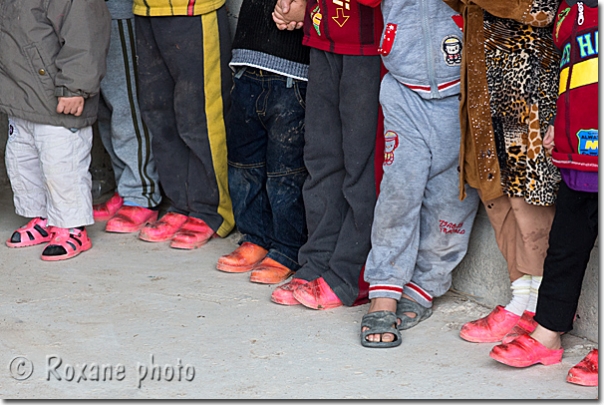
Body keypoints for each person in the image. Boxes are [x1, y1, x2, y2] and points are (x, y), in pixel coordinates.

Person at [489, 0, 598, 387]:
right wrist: (562, 123)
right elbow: (575, 72)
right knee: (567, 241)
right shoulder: (572, 6)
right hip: (580, 140)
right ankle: (548, 332)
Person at [359, 0, 480, 348]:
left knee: (454, 200)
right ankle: (384, 290)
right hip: (403, 91)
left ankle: (426, 283)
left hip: (463, 92)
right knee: (399, 193)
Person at [443, 0, 562, 344]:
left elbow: (541, 7)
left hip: (527, 79)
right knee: (494, 191)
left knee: (527, 191)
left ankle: (537, 304)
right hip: (484, 79)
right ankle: (521, 297)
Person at [270, 0, 383, 309]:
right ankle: (317, 260)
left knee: (362, 164)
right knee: (321, 157)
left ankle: (351, 275)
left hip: (368, 48)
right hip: (324, 38)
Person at [1, 0, 111, 261]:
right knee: (21, 163)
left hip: (58, 99)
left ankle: (71, 227)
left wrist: (76, 87)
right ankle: (43, 218)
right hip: (20, 98)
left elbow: (86, 37)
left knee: (62, 167)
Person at [215, 0, 310, 285]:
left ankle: (287, 248)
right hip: (246, 63)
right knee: (244, 164)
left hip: (292, 72)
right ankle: (255, 238)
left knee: (285, 172)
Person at [133, 0, 235, 250]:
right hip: (145, 8)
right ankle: (180, 203)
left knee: (201, 115)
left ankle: (211, 209)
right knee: (159, 114)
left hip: (194, 8)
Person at [92, 0, 163, 233]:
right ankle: (125, 187)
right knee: (103, 108)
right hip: (84, 15)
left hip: (115, 11)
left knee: (125, 105)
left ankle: (141, 192)